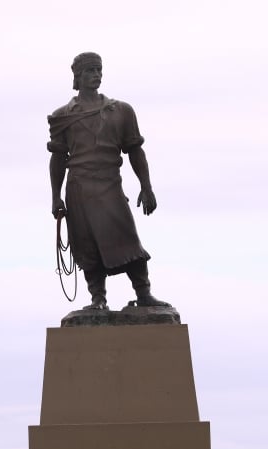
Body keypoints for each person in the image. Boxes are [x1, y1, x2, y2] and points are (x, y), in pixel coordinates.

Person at [48, 52, 169, 310]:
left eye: (99, 70)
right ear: (77, 76)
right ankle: (98, 299)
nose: (96, 75)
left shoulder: (121, 111)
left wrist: (146, 187)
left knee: (127, 239)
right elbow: (58, 158)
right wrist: (55, 196)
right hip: (79, 188)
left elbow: (135, 150)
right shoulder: (62, 116)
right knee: (86, 243)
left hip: (110, 185)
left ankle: (144, 293)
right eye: (90, 71)